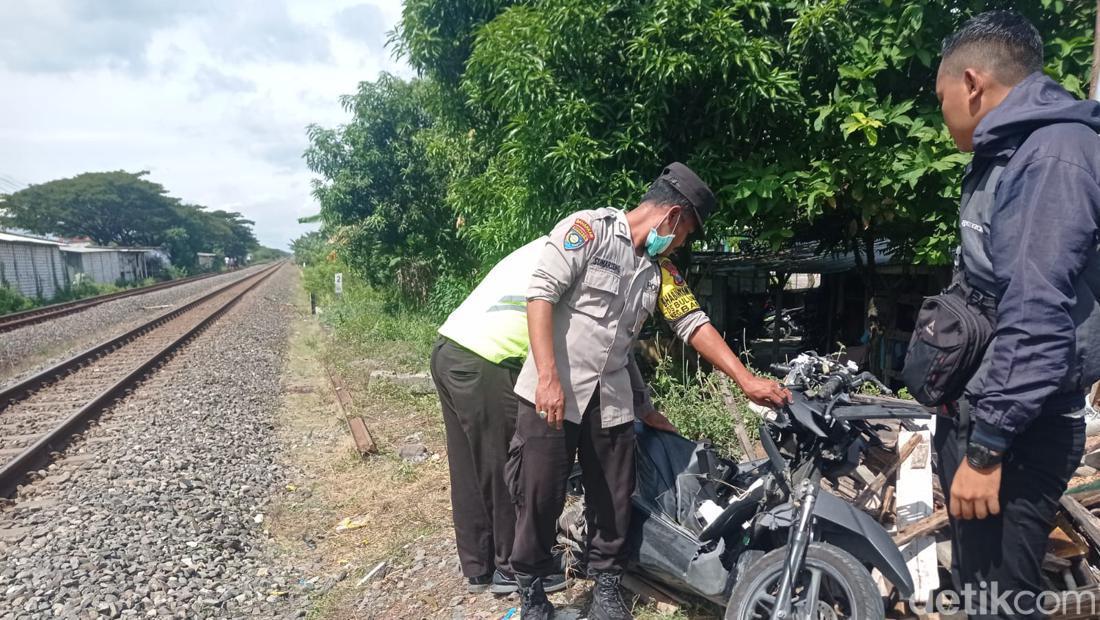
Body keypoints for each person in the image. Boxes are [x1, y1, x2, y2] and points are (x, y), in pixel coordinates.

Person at [508, 163, 792, 620]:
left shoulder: (660, 271)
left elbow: (691, 322)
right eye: (684, 235)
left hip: (613, 402)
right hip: (553, 394)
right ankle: (532, 597)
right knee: (539, 494)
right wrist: (547, 376)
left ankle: (605, 589)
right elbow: (540, 295)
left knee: (614, 498)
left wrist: (744, 380)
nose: (679, 244)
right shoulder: (588, 230)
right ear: (673, 216)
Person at [933, 11, 1100, 618]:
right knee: (983, 593)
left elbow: (1036, 314)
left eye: (942, 95)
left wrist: (986, 450)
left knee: (1001, 603)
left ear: (972, 82)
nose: (942, 110)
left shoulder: (1053, 154)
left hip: (1017, 433)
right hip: (988, 418)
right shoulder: (1011, 150)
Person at [431, 238, 677, 594]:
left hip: (452, 348)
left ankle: (478, 566)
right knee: (510, 466)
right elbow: (611, 349)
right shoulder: (594, 259)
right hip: (492, 360)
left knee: (471, 468)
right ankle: (512, 568)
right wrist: (643, 407)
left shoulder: (559, 245)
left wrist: (643, 407)